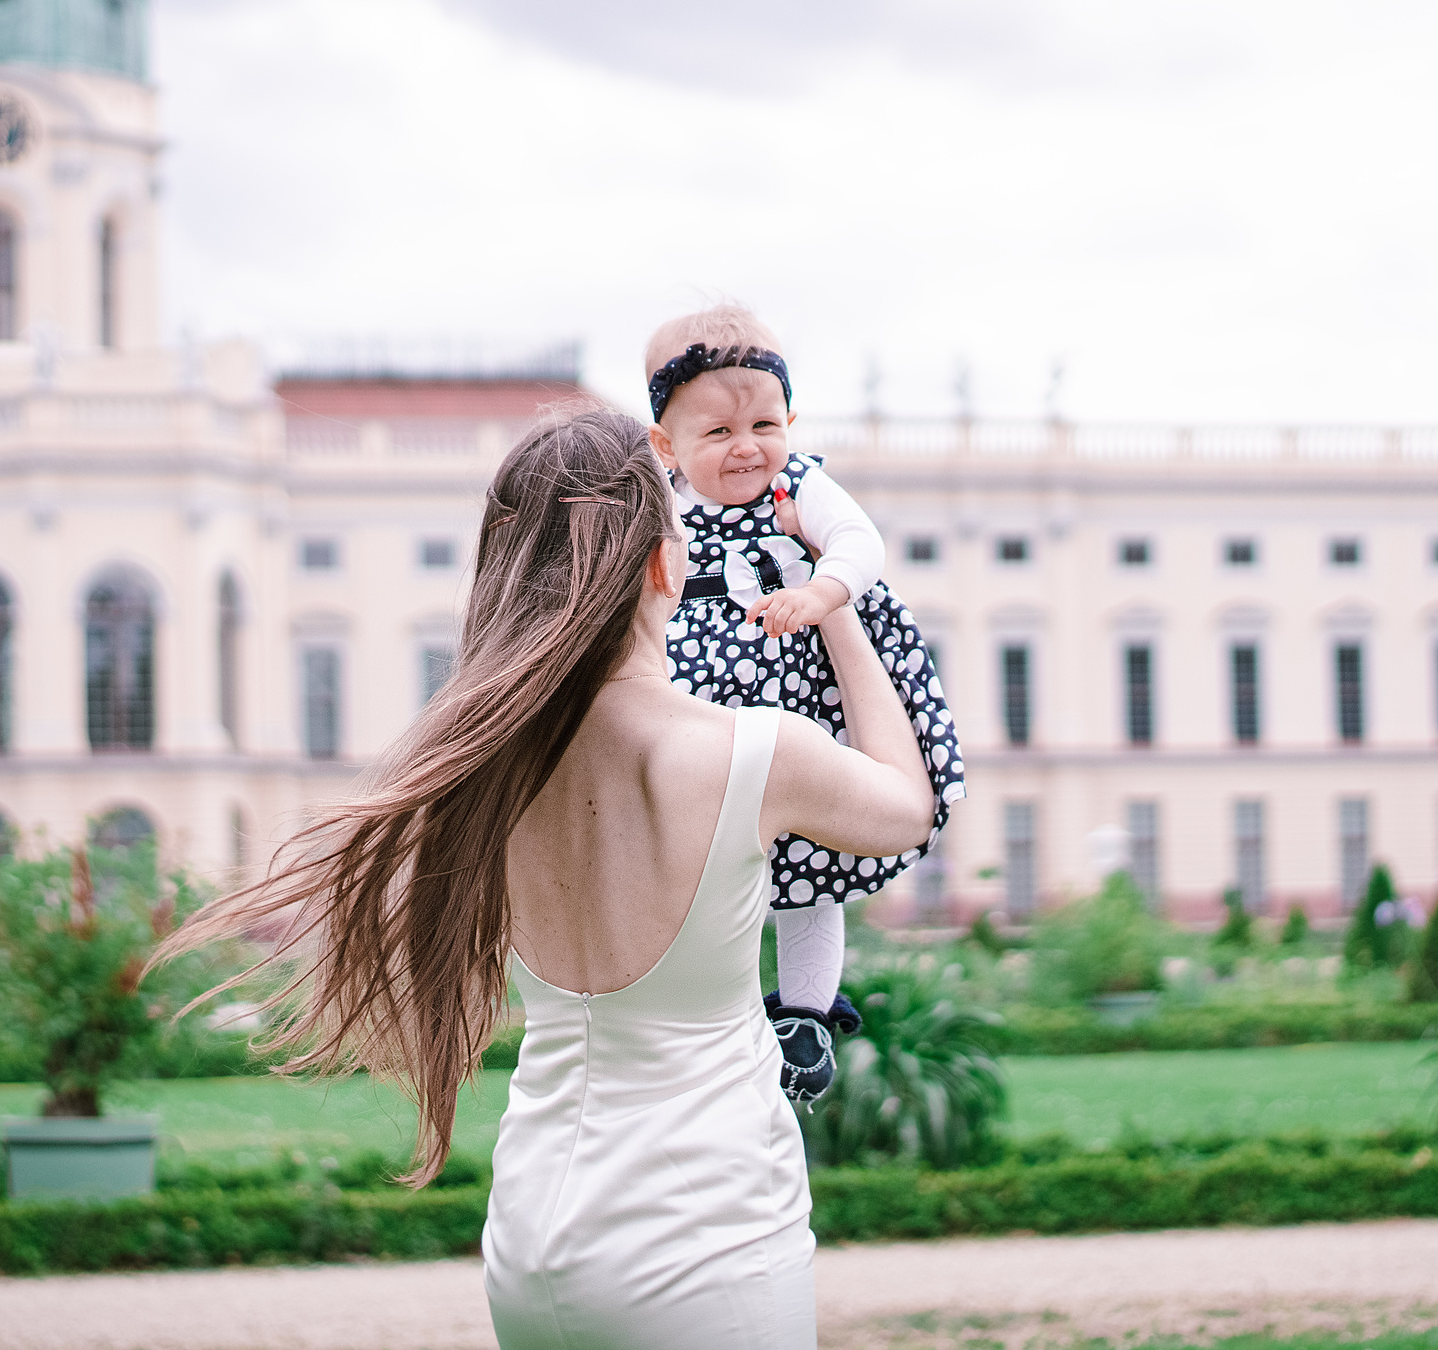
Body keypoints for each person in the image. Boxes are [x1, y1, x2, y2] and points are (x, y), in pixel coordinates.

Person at [160, 408, 933, 1349]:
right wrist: (833, 603)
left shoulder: (483, 763)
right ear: (663, 563)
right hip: (710, 1234)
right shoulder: (746, 750)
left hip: (532, 1237)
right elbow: (905, 801)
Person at [644, 304, 965, 1099]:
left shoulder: (801, 482)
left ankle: (807, 1015)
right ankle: (707, 1006)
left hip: (803, 688)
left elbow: (861, 543)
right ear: (666, 446)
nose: (747, 446)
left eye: (764, 421)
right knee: (711, 853)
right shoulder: (661, 502)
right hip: (707, 697)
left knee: (812, 866)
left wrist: (822, 589)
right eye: (717, 433)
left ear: (790, 417)